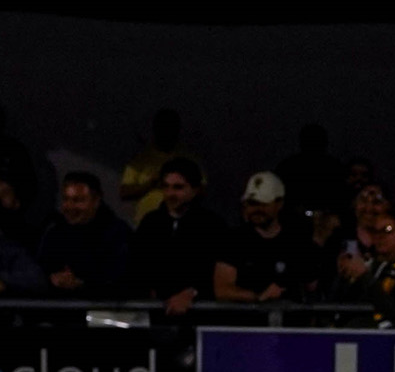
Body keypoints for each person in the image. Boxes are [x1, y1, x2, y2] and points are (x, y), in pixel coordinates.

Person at [212, 173, 325, 308]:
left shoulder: (296, 241)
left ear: (279, 203)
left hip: (289, 319)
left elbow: (312, 287)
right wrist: (258, 297)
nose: (257, 209)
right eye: (252, 203)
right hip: (247, 320)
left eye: (264, 204)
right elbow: (222, 290)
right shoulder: (233, 240)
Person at [130, 157, 222, 319]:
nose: (170, 194)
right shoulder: (150, 223)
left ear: (195, 190)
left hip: (198, 315)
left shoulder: (211, 225)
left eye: (178, 187)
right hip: (155, 314)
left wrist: (192, 292)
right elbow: (137, 264)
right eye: (166, 187)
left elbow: (215, 271)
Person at [36, 172, 131, 298]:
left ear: (96, 201)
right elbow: (39, 271)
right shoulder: (55, 234)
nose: (70, 207)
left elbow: (124, 281)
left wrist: (83, 284)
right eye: (66, 199)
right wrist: (51, 279)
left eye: (78, 200)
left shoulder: (118, 234)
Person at [120, 109, 194, 218]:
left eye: (170, 128)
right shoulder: (141, 158)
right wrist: (150, 184)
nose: (166, 133)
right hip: (146, 224)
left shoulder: (188, 159)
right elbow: (124, 192)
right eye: (163, 128)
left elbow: (200, 191)